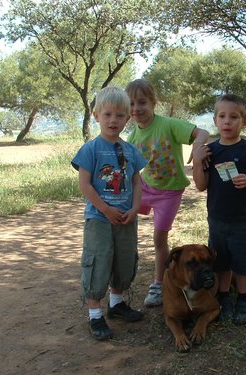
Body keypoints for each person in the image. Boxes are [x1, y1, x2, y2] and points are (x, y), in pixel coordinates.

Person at [71, 86, 148, 340]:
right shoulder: (90, 149)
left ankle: (116, 305)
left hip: (126, 218)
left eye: (119, 115)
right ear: (96, 116)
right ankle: (95, 316)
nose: (113, 120)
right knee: (99, 261)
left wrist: (135, 208)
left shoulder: (131, 151)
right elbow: (85, 184)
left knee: (124, 260)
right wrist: (105, 209)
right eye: (107, 115)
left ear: (128, 118)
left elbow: (137, 181)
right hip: (99, 219)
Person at [125, 79, 210, 307]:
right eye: (131, 104)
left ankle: (157, 284)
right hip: (145, 186)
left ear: (153, 102)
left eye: (142, 102)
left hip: (169, 193)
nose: (136, 109)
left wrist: (197, 146)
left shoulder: (169, 124)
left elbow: (203, 132)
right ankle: (122, 276)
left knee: (158, 238)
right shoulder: (133, 136)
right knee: (125, 221)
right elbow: (127, 167)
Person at [192, 93, 246, 325]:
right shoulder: (210, 151)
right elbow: (200, 185)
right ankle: (224, 298)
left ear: (244, 122)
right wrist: (197, 160)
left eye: (234, 117)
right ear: (215, 121)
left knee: (243, 262)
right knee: (221, 261)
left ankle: (243, 300)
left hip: (243, 220)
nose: (227, 121)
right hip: (216, 218)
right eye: (222, 116)